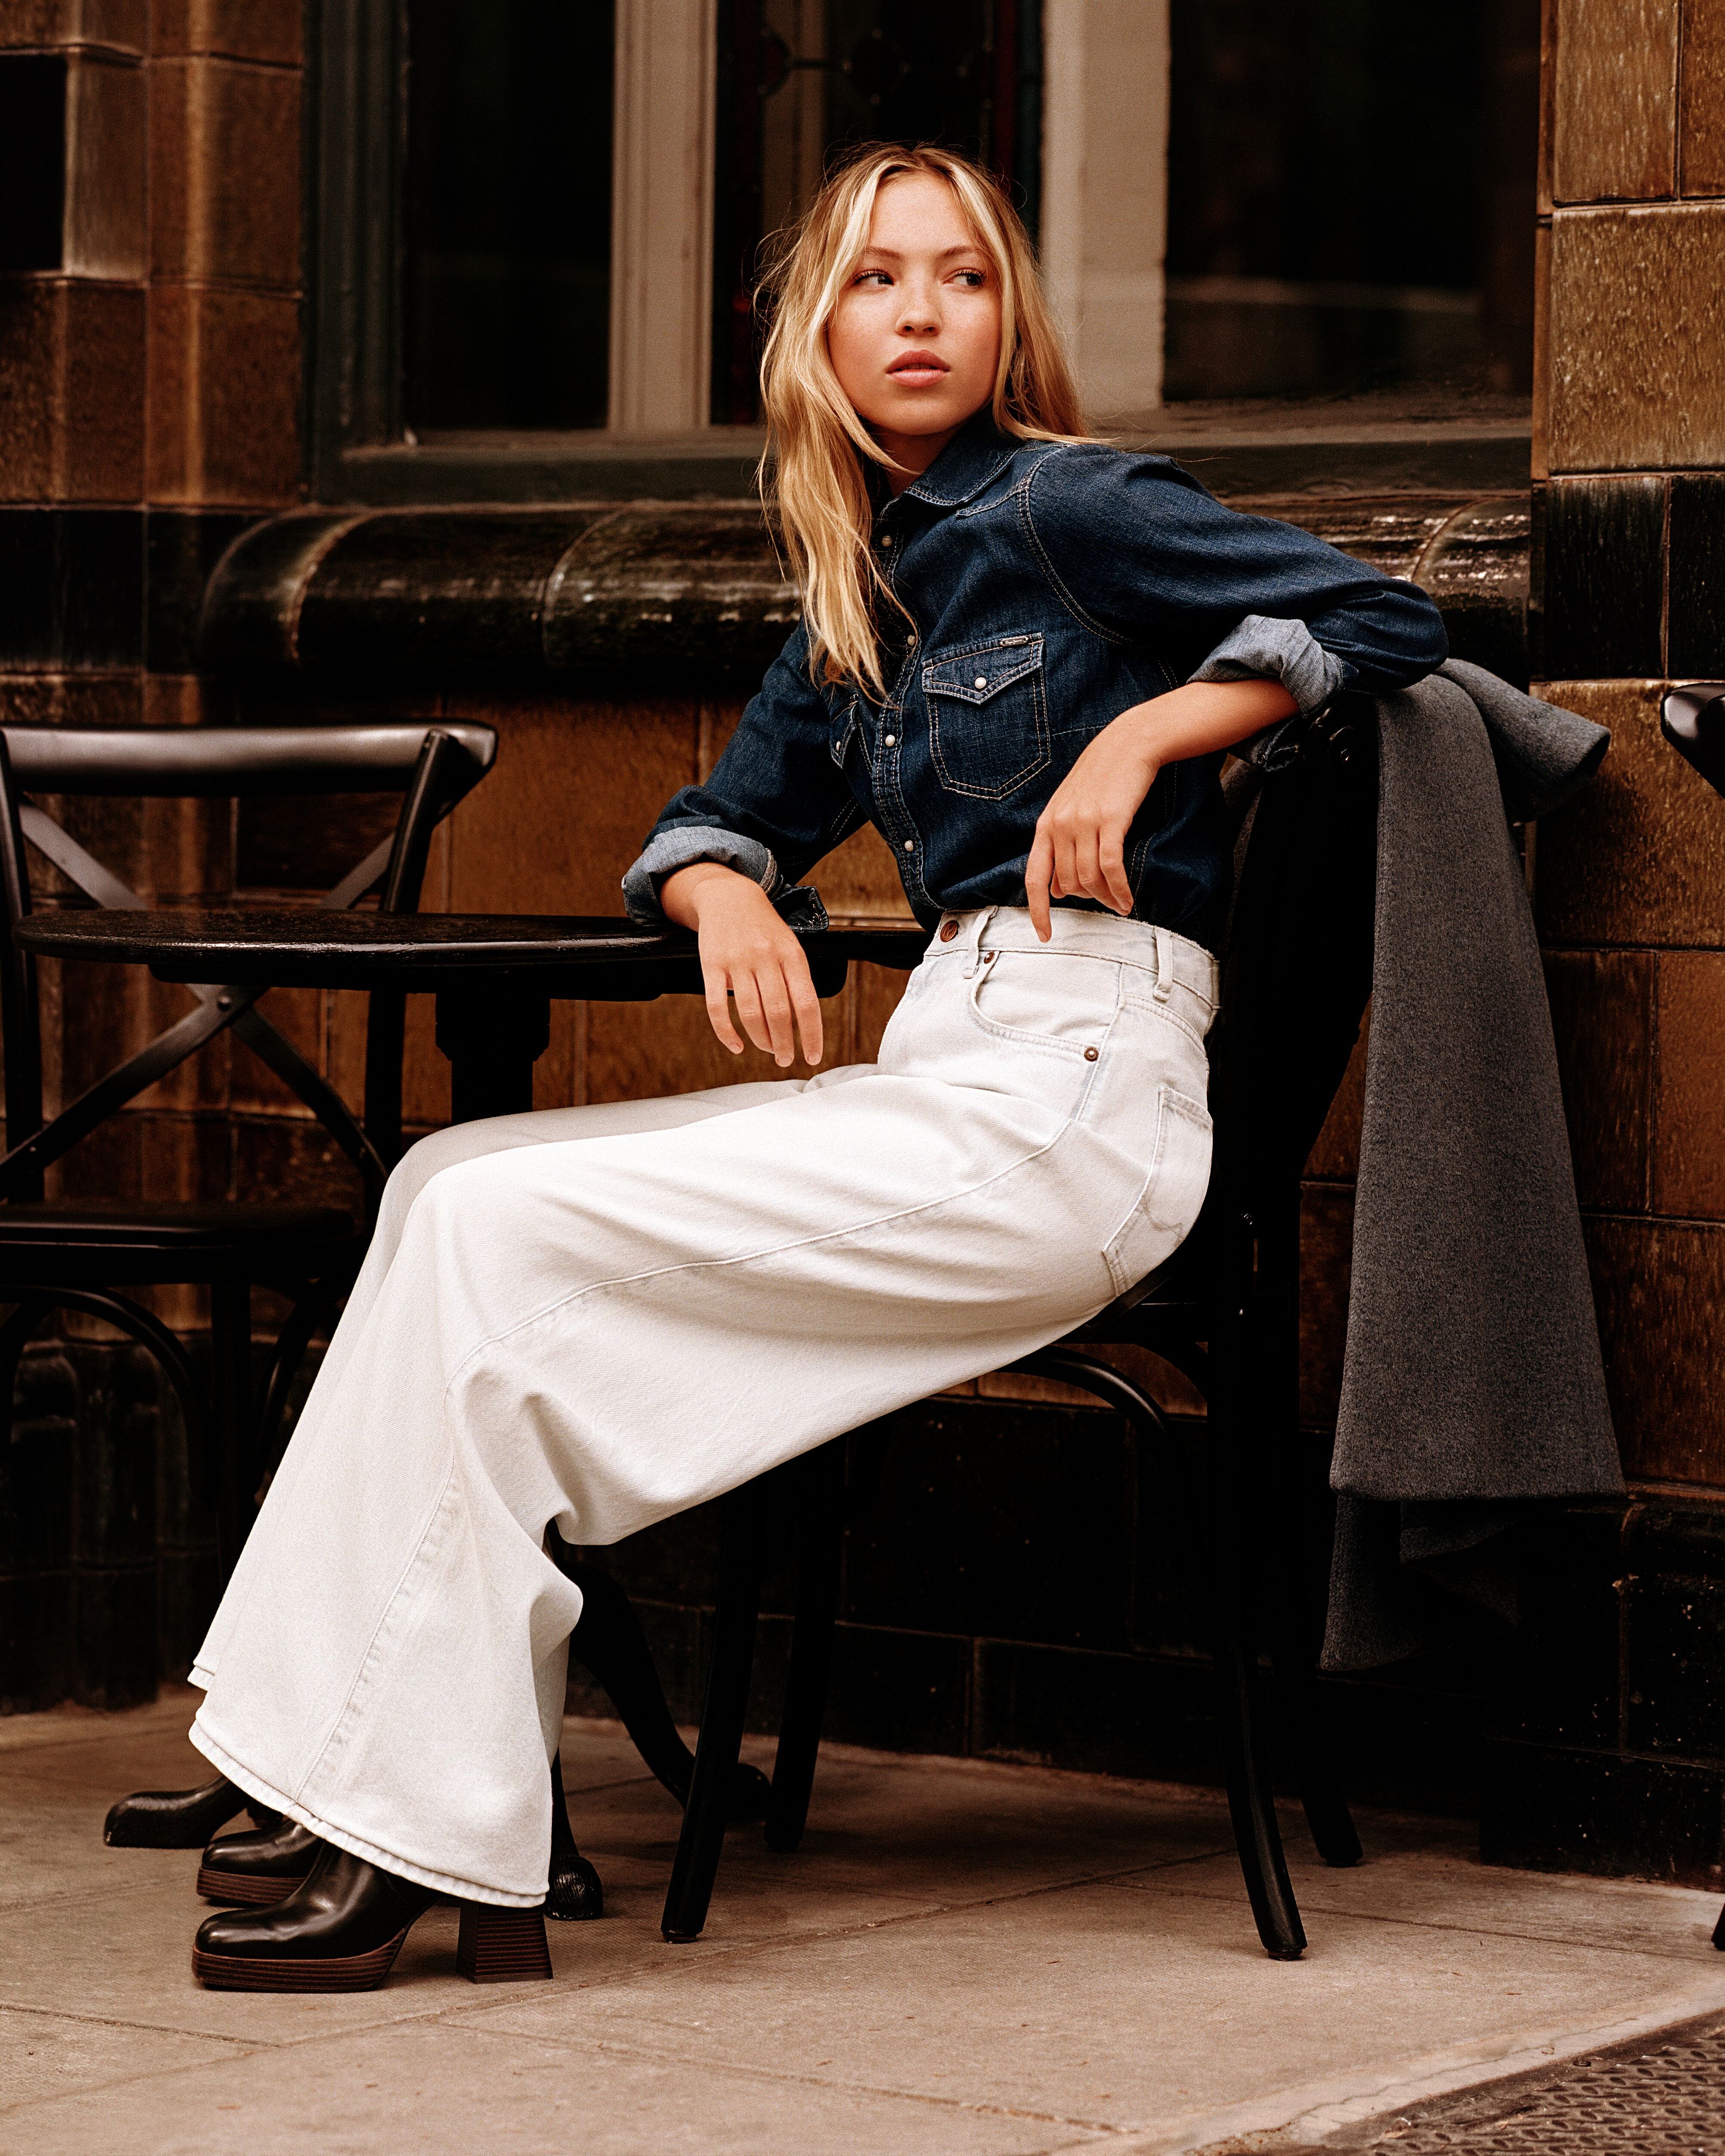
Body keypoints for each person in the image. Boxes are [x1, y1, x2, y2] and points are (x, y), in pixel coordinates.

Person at [138, 144, 1446, 1990]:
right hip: (954, 1067)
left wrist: (1144, 735)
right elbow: (709, 817)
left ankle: (406, 1821)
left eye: (963, 278)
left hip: (1077, 1098)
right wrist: (722, 894)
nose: (922, 315)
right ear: (813, 329)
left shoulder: (1073, 504)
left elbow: (1388, 619)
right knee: (444, 1179)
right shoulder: (863, 585)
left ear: (1009, 317)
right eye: (877, 280)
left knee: (491, 1229)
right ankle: (352, 1766)